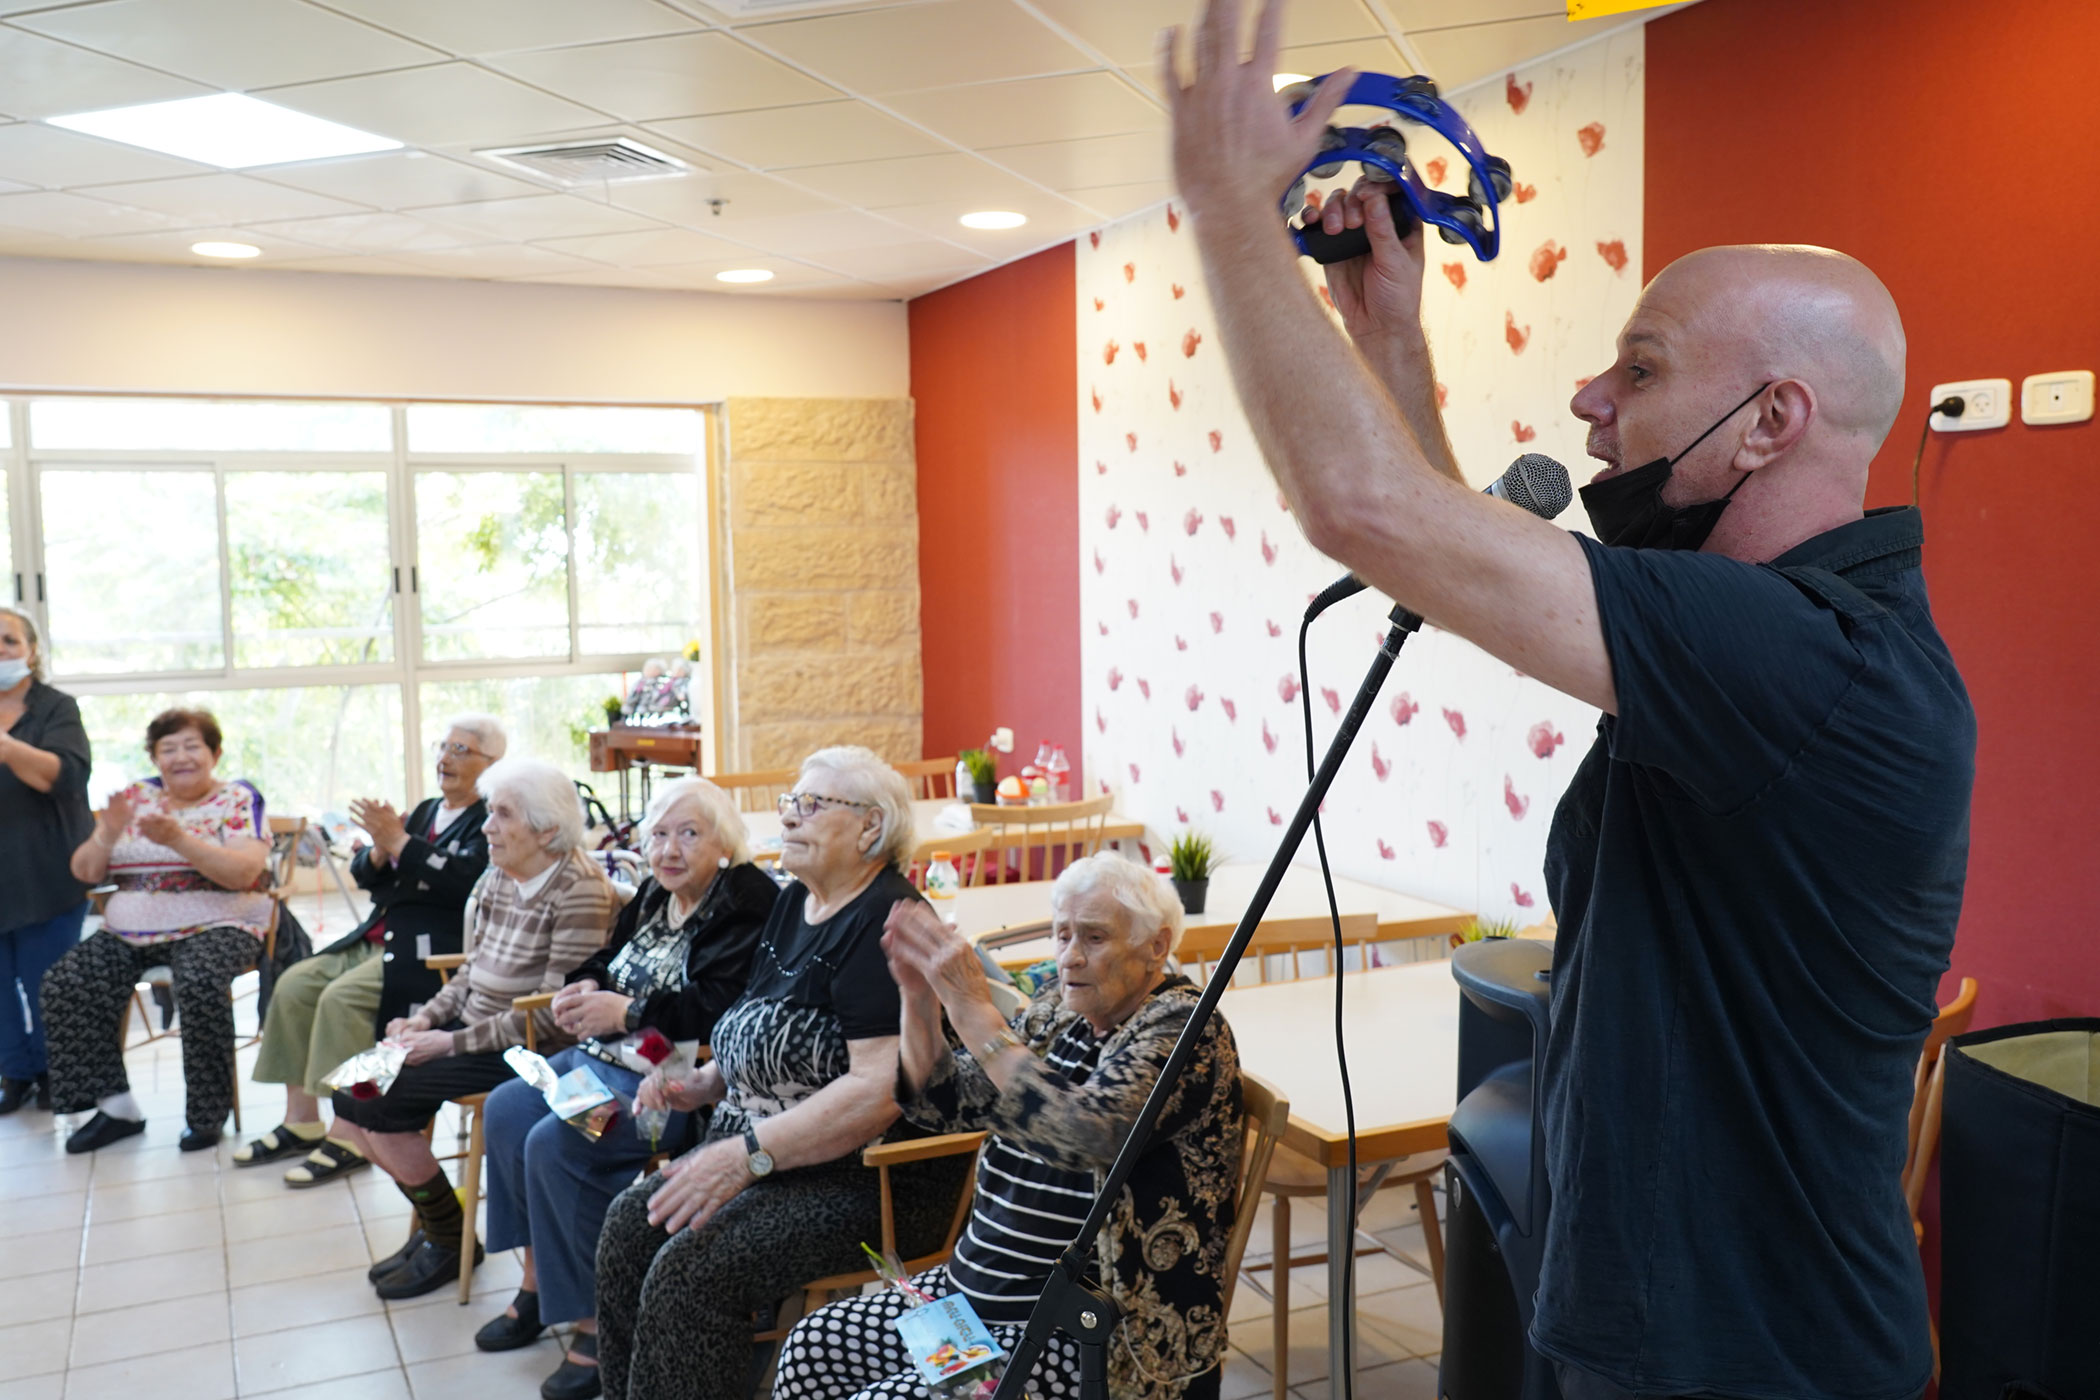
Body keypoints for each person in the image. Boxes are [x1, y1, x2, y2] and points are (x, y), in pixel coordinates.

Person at [1159, 7, 1975, 1398]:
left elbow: (1370, 511)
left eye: (1642, 371)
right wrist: (1391, 337)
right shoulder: (1747, 636)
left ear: (1772, 421)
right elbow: (1467, 561)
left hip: (1753, 1361)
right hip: (1642, 1323)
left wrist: (1226, 207)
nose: (1591, 401)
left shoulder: (1806, 662)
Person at [776, 853, 1244, 1400]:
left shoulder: (1184, 1029)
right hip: (971, 1299)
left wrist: (975, 1010)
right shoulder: (1061, 1010)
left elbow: (1086, 1134)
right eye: (1062, 934)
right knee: (811, 1345)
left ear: (1157, 947)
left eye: (1094, 938)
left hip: (1087, 1333)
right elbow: (944, 1103)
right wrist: (918, 996)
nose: (1069, 957)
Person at [590, 746, 971, 1400]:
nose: (789, 817)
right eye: (792, 802)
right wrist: (704, 1083)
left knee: (693, 1269)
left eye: (813, 805)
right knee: (630, 1227)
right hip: (775, 1153)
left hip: (863, 1179)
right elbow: (756, 1022)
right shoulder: (796, 903)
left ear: (870, 828)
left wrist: (742, 1158)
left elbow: (877, 1092)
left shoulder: (888, 921)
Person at [475, 776, 779, 1400]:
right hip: (605, 1058)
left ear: (723, 842)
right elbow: (608, 959)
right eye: (659, 835)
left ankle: (594, 1323)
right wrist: (583, 987)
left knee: (559, 1142)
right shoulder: (653, 893)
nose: (669, 850)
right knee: (507, 1108)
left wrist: (630, 1012)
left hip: (673, 1080)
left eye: (689, 834)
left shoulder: (748, 899)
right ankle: (537, 1284)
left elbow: (721, 1004)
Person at [334, 756, 619, 1300]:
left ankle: (446, 1239)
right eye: (489, 813)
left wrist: (445, 1042)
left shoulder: (579, 888)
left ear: (548, 830)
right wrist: (426, 1017)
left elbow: (552, 1014)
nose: (486, 827)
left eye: (502, 815)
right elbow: (470, 970)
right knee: (351, 1093)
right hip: (471, 1030)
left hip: (529, 1049)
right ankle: (446, 1229)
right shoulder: (499, 875)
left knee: (379, 1103)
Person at [233, 715, 503, 1186]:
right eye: (444, 746)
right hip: (377, 933)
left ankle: (349, 1133)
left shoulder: (492, 819)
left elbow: (467, 883)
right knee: (295, 984)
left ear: (492, 764)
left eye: (461, 750)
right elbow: (366, 875)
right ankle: (302, 1119)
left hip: (428, 951)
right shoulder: (425, 811)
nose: (445, 758)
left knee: (341, 999)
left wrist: (399, 842)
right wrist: (381, 849)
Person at [49, 707, 273, 1153]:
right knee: (68, 979)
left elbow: (243, 872)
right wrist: (107, 833)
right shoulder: (133, 799)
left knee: (200, 981)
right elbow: (85, 872)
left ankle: (207, 1116)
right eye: (168, 748)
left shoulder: (237, 798)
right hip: (130, 932)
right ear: (154, 758)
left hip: (219, 922)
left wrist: (178, 839)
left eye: (192, 746)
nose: (180, 757)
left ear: (215, 753)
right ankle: (116, 1108)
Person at [0, 606, 94, 1116]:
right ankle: (14, 1073)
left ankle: (55, 1071)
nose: (0, 651)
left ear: (31, 650)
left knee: (47, 983)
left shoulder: (56, 707)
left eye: (9, 641)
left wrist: (7, 748)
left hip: (48, 870)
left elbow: (64, 777)